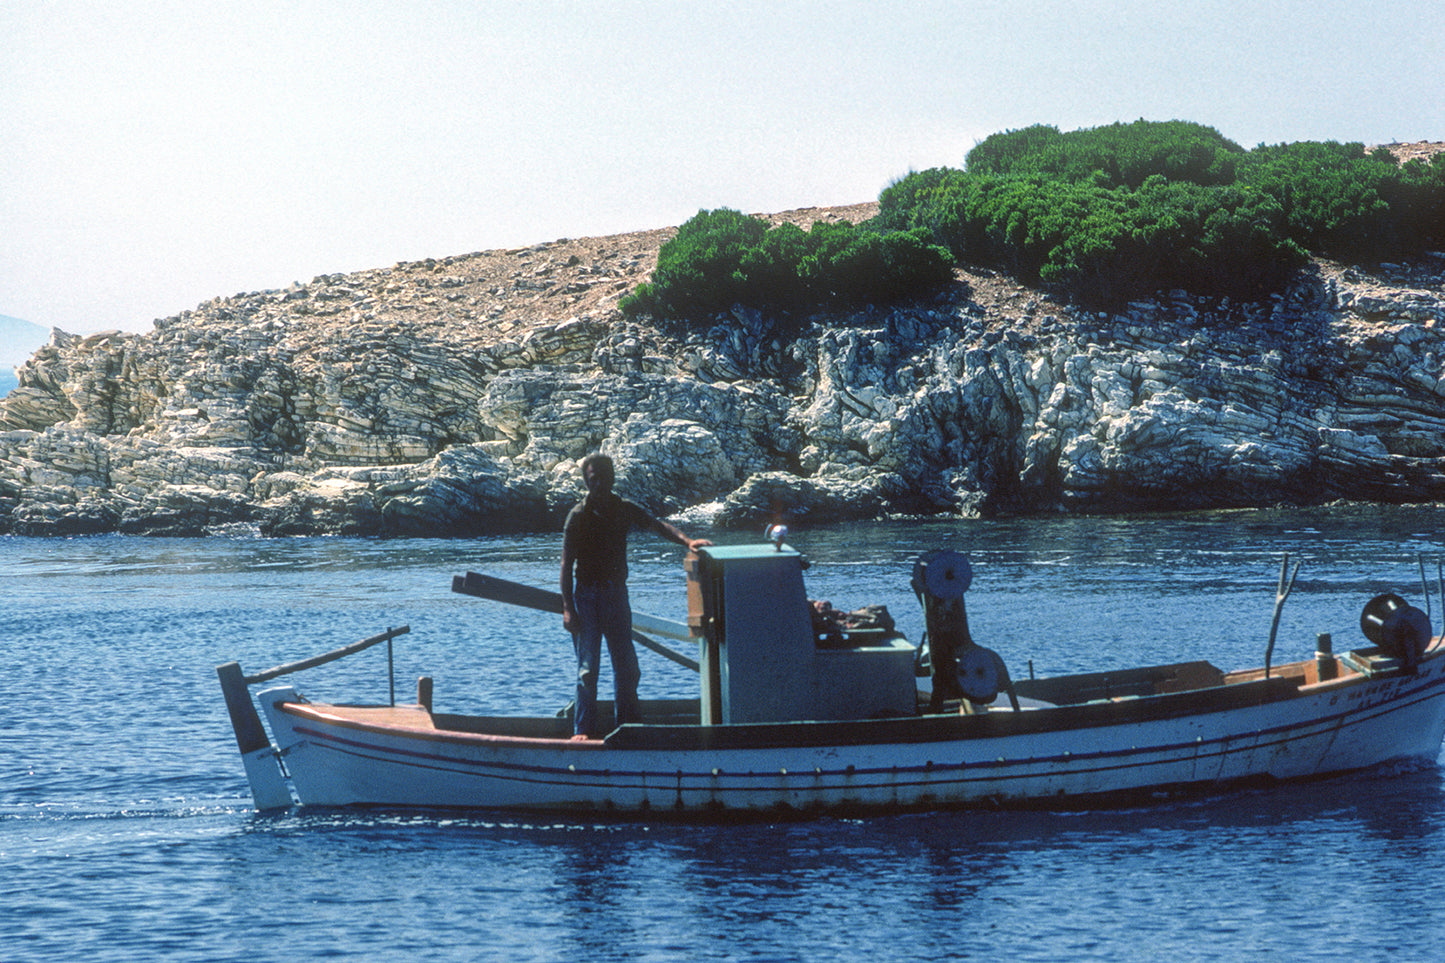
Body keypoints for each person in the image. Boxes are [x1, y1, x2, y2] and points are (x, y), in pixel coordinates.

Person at [560, 452, 711, 739]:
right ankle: (583, 730)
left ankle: (628, 728)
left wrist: (688, 541)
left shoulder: (623, 508)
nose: (600, 485)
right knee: (587, 670)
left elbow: (658, 526)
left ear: (614, 479)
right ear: (586, 482)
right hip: (587, 598)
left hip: (616, 596)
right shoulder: (577, 516)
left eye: (605, 479)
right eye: (593, 480)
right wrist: (568, 608)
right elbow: (566, 566)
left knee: (628, 668)